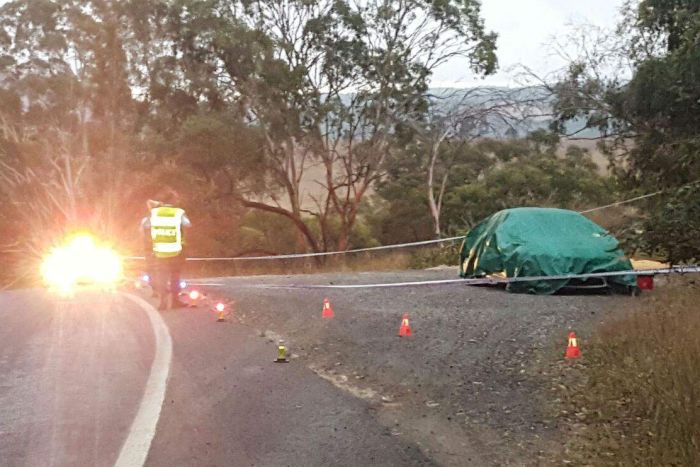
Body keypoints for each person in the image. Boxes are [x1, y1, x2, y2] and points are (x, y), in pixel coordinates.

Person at [142, 191, 191, 310]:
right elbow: (187, 224)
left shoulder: (154, 213)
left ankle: (162, 301)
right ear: (173, 200)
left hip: (159, 249)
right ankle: (175, 300)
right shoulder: (178, 213)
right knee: (175, 274)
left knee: (161, 276)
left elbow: (145, 226)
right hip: (176, 249)